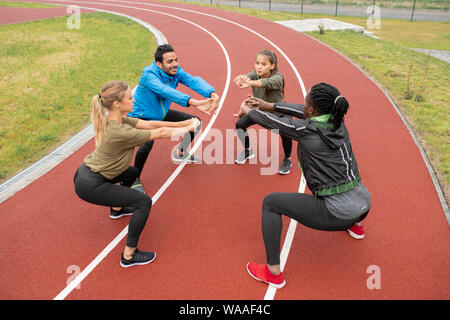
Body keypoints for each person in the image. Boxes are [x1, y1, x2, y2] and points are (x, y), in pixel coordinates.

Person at [239, 83, 371, 288]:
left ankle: (273, 272)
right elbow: (301, 111)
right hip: (364, 203)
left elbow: (273, 123)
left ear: (311, 110)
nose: (303, 105)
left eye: (306, 102)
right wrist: (270, 105)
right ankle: (356, 226)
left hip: (337, 212)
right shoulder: (338, 120)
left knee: (271, 202)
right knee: (346, 186)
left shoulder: (307, 130)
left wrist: (248, 110)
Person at [73, 80, 199, 268]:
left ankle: (117, 209)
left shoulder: (117, 119)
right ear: (117, 103)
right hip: (91, 184)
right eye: (130, 98)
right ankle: (129, 255)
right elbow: (161, 133)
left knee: (131, 172)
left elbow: (149, 124)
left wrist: (186, 121)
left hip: (87, 172)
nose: (133, 100)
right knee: (143, 202)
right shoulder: (120, 132)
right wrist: (187, 129)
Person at [128, 44, 220, 192]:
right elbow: (164, 90)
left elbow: (192, 80)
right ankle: (133, 178)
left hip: (160, 114)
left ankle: (180, 153)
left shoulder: (175, 72)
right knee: (147, 144)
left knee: (195, 122)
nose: (175, 64)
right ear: (159, 64)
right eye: (170, 61)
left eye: (176, 60)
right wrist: (193, 102)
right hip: (141, 117)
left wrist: (211, 93)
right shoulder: (148, 75)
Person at [233, 50, 293, 175]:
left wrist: (249, 83)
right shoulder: (255, 74)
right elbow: (248, 75)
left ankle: (288, 159)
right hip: (260, 111)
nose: (259, 67)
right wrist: (241, 78)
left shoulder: (278, 78)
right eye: (257, 63)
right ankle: (248, 150)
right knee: (240, 125)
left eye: (263, 64)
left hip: (278, 112)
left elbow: (265, 83)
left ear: (272, 66)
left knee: (286, 132)